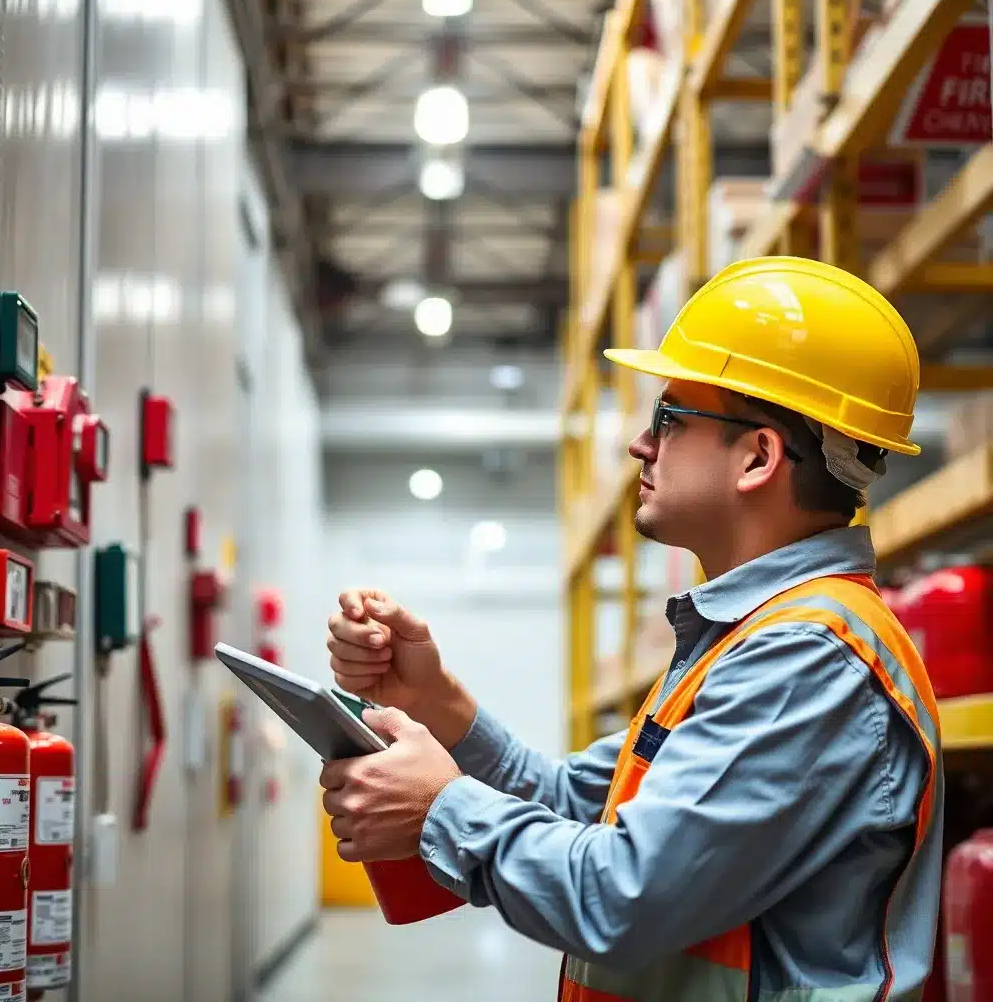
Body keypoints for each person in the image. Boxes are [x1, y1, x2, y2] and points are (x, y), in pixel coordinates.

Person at [320, 257, 943, 1000]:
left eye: (670, 418)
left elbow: (622, 897)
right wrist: (438, 703)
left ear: (757, 456)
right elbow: (570, 799)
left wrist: (438, 808)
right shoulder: (747, 639)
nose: (641, 446)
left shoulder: (805, 656)